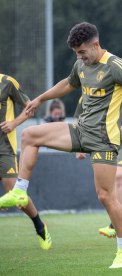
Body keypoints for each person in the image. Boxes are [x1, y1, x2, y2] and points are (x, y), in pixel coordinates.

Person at [0, 22, 122, 269]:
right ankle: (20, 189)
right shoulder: (82, 63)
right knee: (30, 135)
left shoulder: (116, 65)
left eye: (82, 52)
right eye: (76, 54)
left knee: (106, 196)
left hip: (104, 140)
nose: (80, 58)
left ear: (96, 45)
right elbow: (68, 83)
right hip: (80, 132)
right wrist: (40, 98)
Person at [74, 92, 122, 244]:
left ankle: (113, 225)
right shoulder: (86, 94)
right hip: (103, 144)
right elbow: (79, 120)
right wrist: (78, 146)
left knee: (119, 177)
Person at [0, 74, 52, 250]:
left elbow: (29, 108)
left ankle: (39, 226)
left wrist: (14, 123)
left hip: (4, 149)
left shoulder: (7, 82)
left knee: (15, 194)